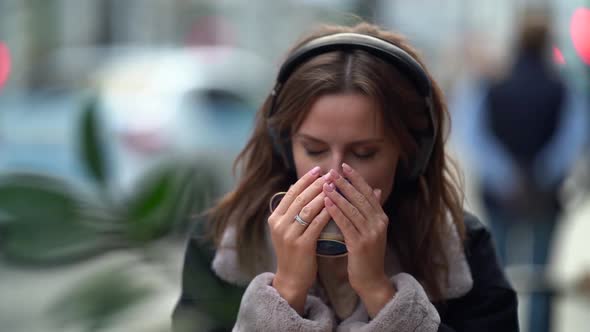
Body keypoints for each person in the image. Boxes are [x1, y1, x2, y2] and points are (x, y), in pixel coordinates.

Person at [172, 22, 519, 332]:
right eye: (313, 149)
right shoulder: (221, 244)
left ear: (411, 154)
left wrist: (380, 294)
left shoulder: (458, 247)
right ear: (283, 144)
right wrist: (286, 293)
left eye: (364, 153)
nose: (333, 176)